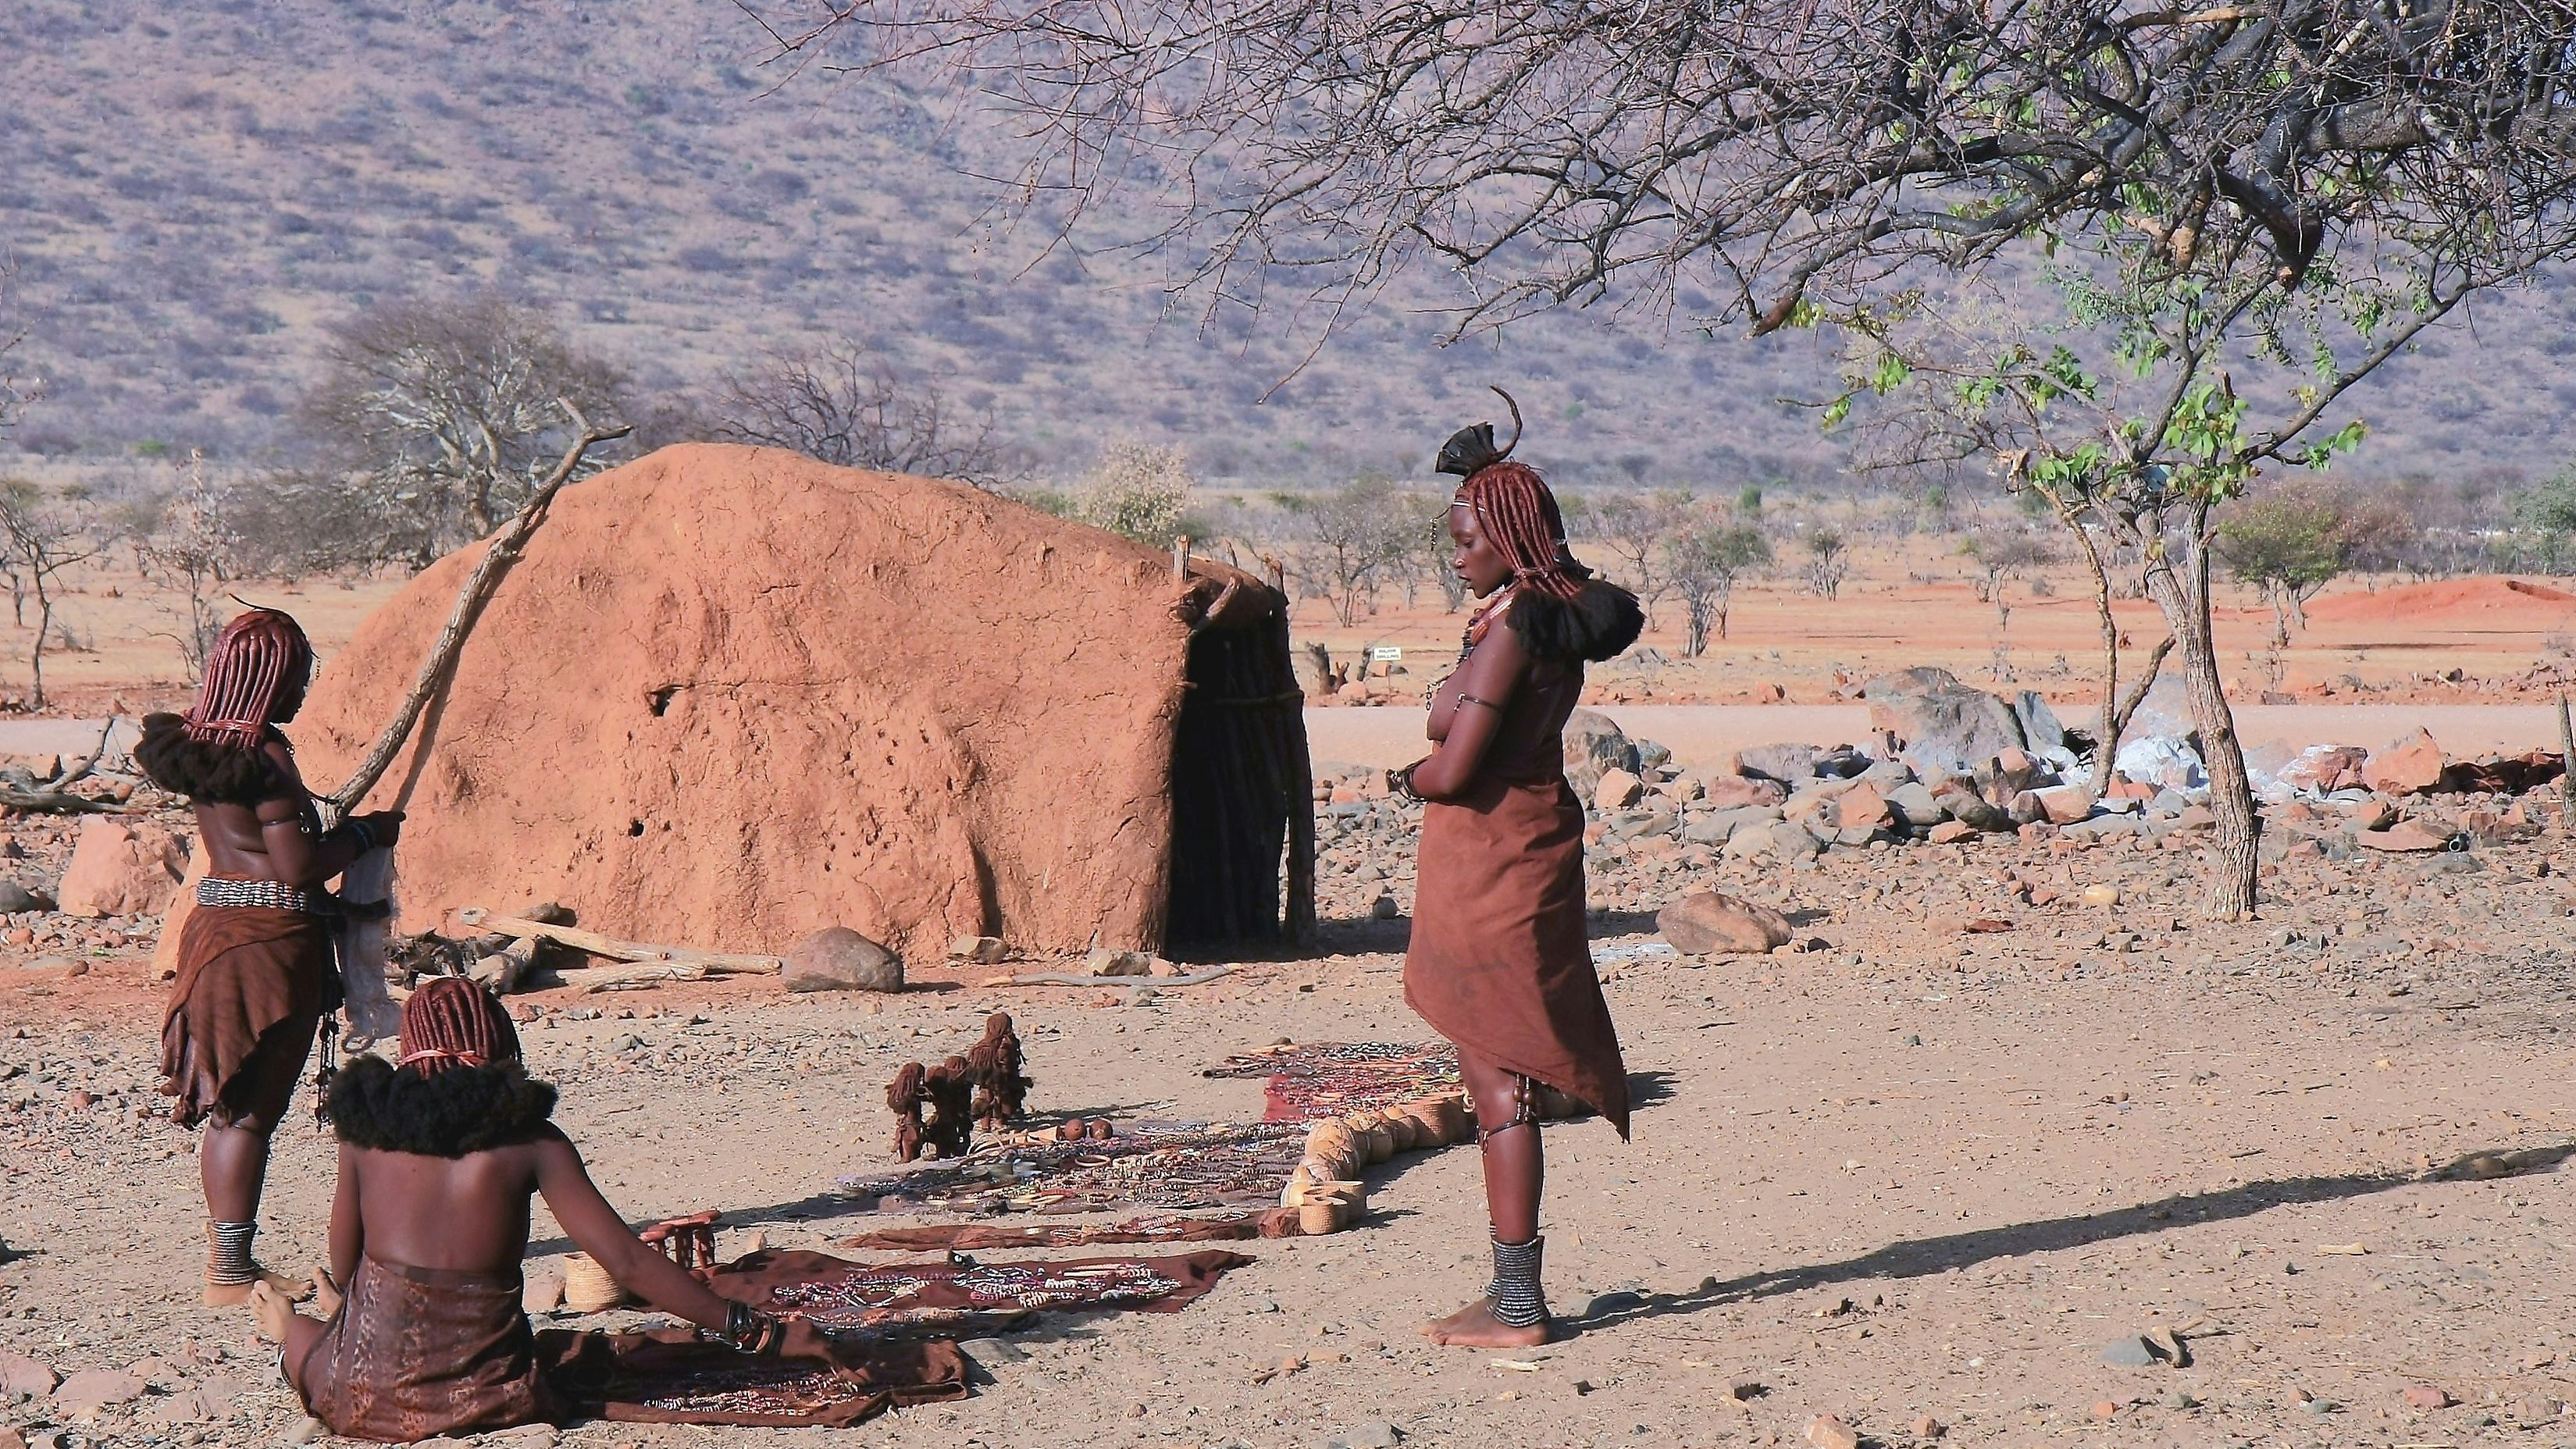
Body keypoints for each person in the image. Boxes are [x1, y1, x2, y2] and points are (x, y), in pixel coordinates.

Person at [248, 977, 828, 1442]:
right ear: (497, 1046)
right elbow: (625, 1261)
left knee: (303, 1337)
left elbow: (348, 1272)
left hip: (356, 1400)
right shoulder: (532, 1144)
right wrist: (750, 1331)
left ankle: (285, 1333)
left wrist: (339, 1311)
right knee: (326, 1327)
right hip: (489, 1400)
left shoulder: (363, 1140)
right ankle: (295, 1328)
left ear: (408, 1049)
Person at [1391, 401, 1643, 1348]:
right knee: (1496, 1076)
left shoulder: (1510, 634)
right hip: (1516, 847)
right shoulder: (1537, 619)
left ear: (1503, 535)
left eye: (1465, 541)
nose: (1454, 557)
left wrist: (1403, 776)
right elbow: (1446, 716)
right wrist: (1443, 713)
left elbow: (1450, 761)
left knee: (1498, 1084)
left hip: (1493, 859)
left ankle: (1517, 1302)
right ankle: (1511, 1294)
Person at [137, 608, 406, 1306]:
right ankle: (230, 1271)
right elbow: (296, 867)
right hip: (268, 947)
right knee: (249, 1111)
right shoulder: (265, 761)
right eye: (297, 673)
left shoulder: (205, 751)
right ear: (268, 679)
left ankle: (231, 1261)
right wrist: (366, 836)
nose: (304, 687)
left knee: (235, 1108)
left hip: (218, 934)